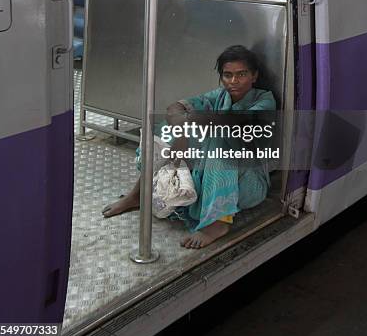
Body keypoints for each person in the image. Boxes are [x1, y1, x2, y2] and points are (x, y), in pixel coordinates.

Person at [102, 45, 276, 249]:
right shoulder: (219, 96)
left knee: (221, 140)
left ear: (254, 76)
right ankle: (138, 195)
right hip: (211, 173)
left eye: (242, 74)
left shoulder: (265, 100)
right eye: (227, 75)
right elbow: (175, 108)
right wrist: (181, 135)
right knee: (165, 129)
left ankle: (218, 222)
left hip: (247, 183)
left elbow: (232, 123)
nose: (234, 81)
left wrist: (188, 123)